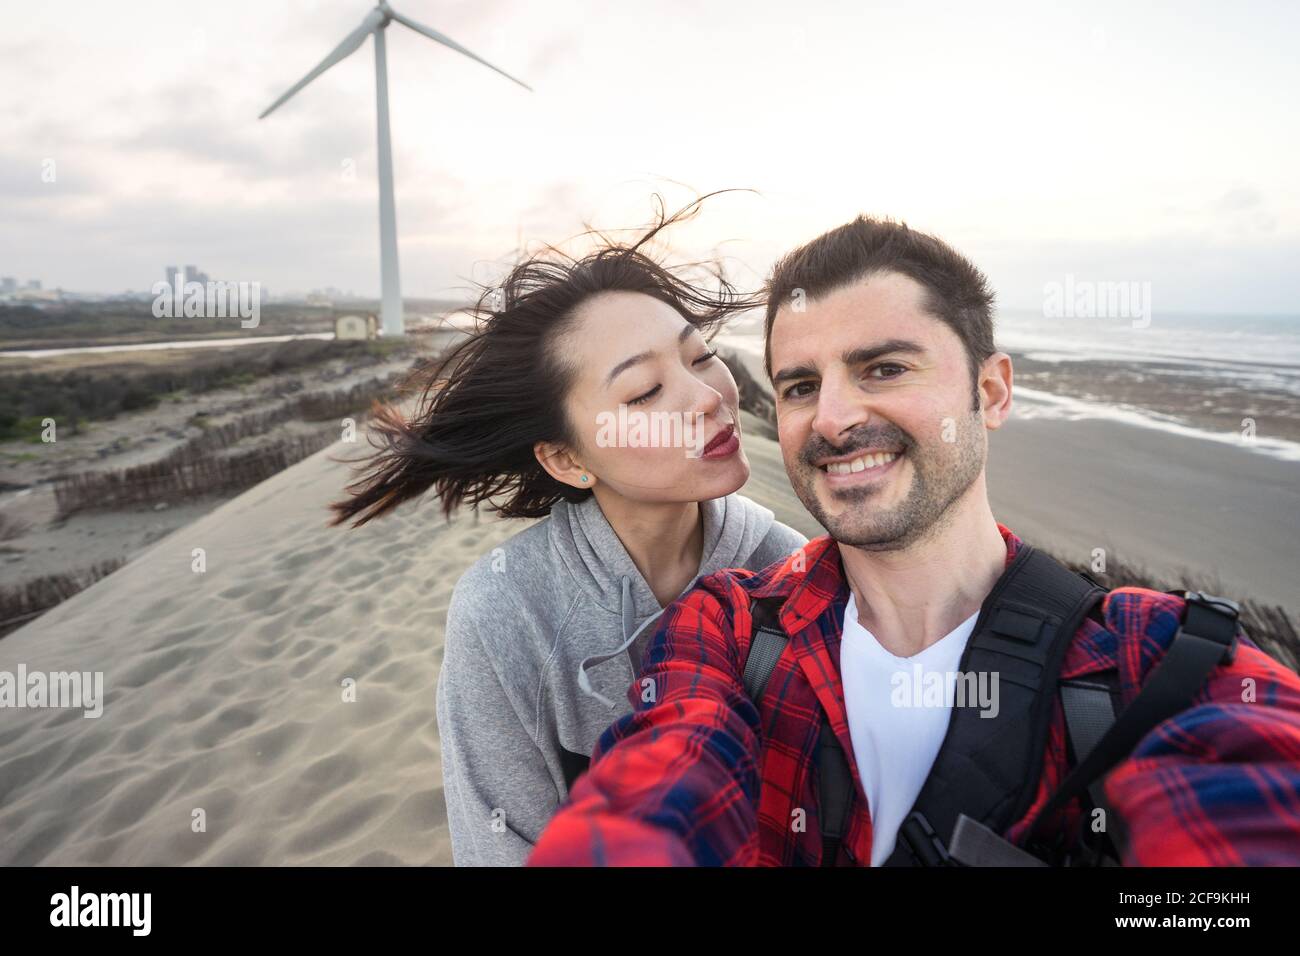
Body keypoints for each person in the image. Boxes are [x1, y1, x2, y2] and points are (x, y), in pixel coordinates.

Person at [527, 214, 1300, 866]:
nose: (831, 418)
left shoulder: (1153, 658)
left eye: (885, 368)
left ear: (990, 392)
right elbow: (658, 786)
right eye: (799, 386)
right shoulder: (728, 631)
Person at [328, 195, 807, 866]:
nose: (707, 398)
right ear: (568, 459)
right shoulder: (507, 609)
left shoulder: (786, 569)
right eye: (643, 393)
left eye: (700, 358)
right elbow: (498, 846)